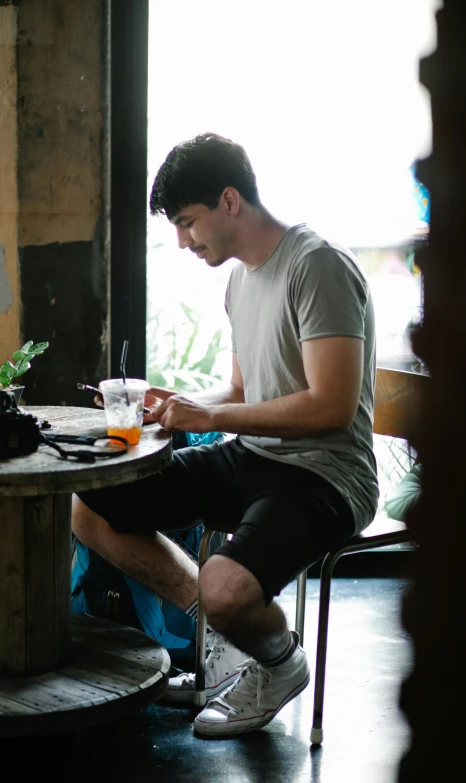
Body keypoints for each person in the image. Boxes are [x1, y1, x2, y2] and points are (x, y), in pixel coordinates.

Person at [72, 132, 379, 738]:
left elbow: (333, 408)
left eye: (189, 223)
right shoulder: (240, 280)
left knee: (228, 585)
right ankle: (227, 641)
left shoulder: (317, 266)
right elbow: (240, 392)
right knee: (90, 503)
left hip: (327, 472)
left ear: (230, 201)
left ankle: (277, 660)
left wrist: (210, 420)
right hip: (256, 455)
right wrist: (176, 403)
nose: (184, 241)